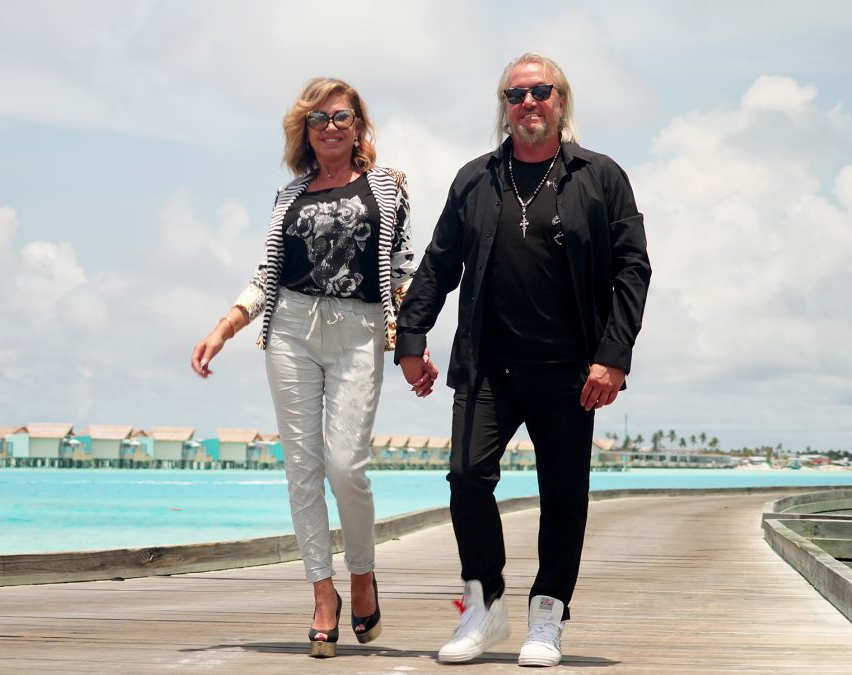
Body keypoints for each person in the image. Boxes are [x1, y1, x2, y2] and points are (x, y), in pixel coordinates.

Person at [395, 53, 651, 667]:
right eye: (516, 95)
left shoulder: (602, 177)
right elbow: (438, 263)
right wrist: (411, 337)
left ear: (561, 100)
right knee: (466, 478)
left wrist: (613, 356)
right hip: (488, 365)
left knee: (563, 495)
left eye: (540, 91)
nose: (528, 103)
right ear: (504, 106)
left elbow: (632, 269)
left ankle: (547, 616)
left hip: (571, 372)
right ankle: (483, 605)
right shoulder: (475, 180)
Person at [191, 77, 432, 658]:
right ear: (305, 129)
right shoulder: (289, 195)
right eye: (318, 119)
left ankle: (362, 574)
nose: (330, 127)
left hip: (359, 329)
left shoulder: (388, 186)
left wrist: (413, 342)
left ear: (358, 126)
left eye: (340, 117)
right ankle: (323, 594)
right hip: (291, 329)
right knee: (302, 467)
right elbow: (268, 273)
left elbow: (404, 269)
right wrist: (225, 326)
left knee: (346, 465)